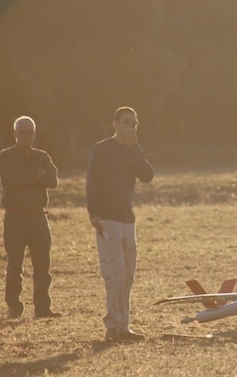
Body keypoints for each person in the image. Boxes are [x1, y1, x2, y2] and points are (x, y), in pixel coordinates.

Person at [86, 106, 154, 341]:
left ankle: (124, 327)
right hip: (107, 218)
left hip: (127, 219)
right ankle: (112, 328)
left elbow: (147, 175)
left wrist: (135, 146)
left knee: (128, 274)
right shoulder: (102, 149)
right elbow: (92, 183)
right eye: (126, 122)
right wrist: (94, 214)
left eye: (134, 123)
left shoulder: (133, 151)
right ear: (115, 123)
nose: (129, 127)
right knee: (114, 273)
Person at [0, 116, 61, 319]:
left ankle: (43, 307)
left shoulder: (43, 156)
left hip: (38, 218)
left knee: (43, 265)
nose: (26, 136)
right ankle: (14, 306)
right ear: (15, 134)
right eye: (23, 132)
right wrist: (36, 174)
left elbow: (53, 181)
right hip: (15, 217)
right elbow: (12, 178)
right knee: (15, 264)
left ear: (34, 134)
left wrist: (30, 176)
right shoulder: (6, 156)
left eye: (30, 132)